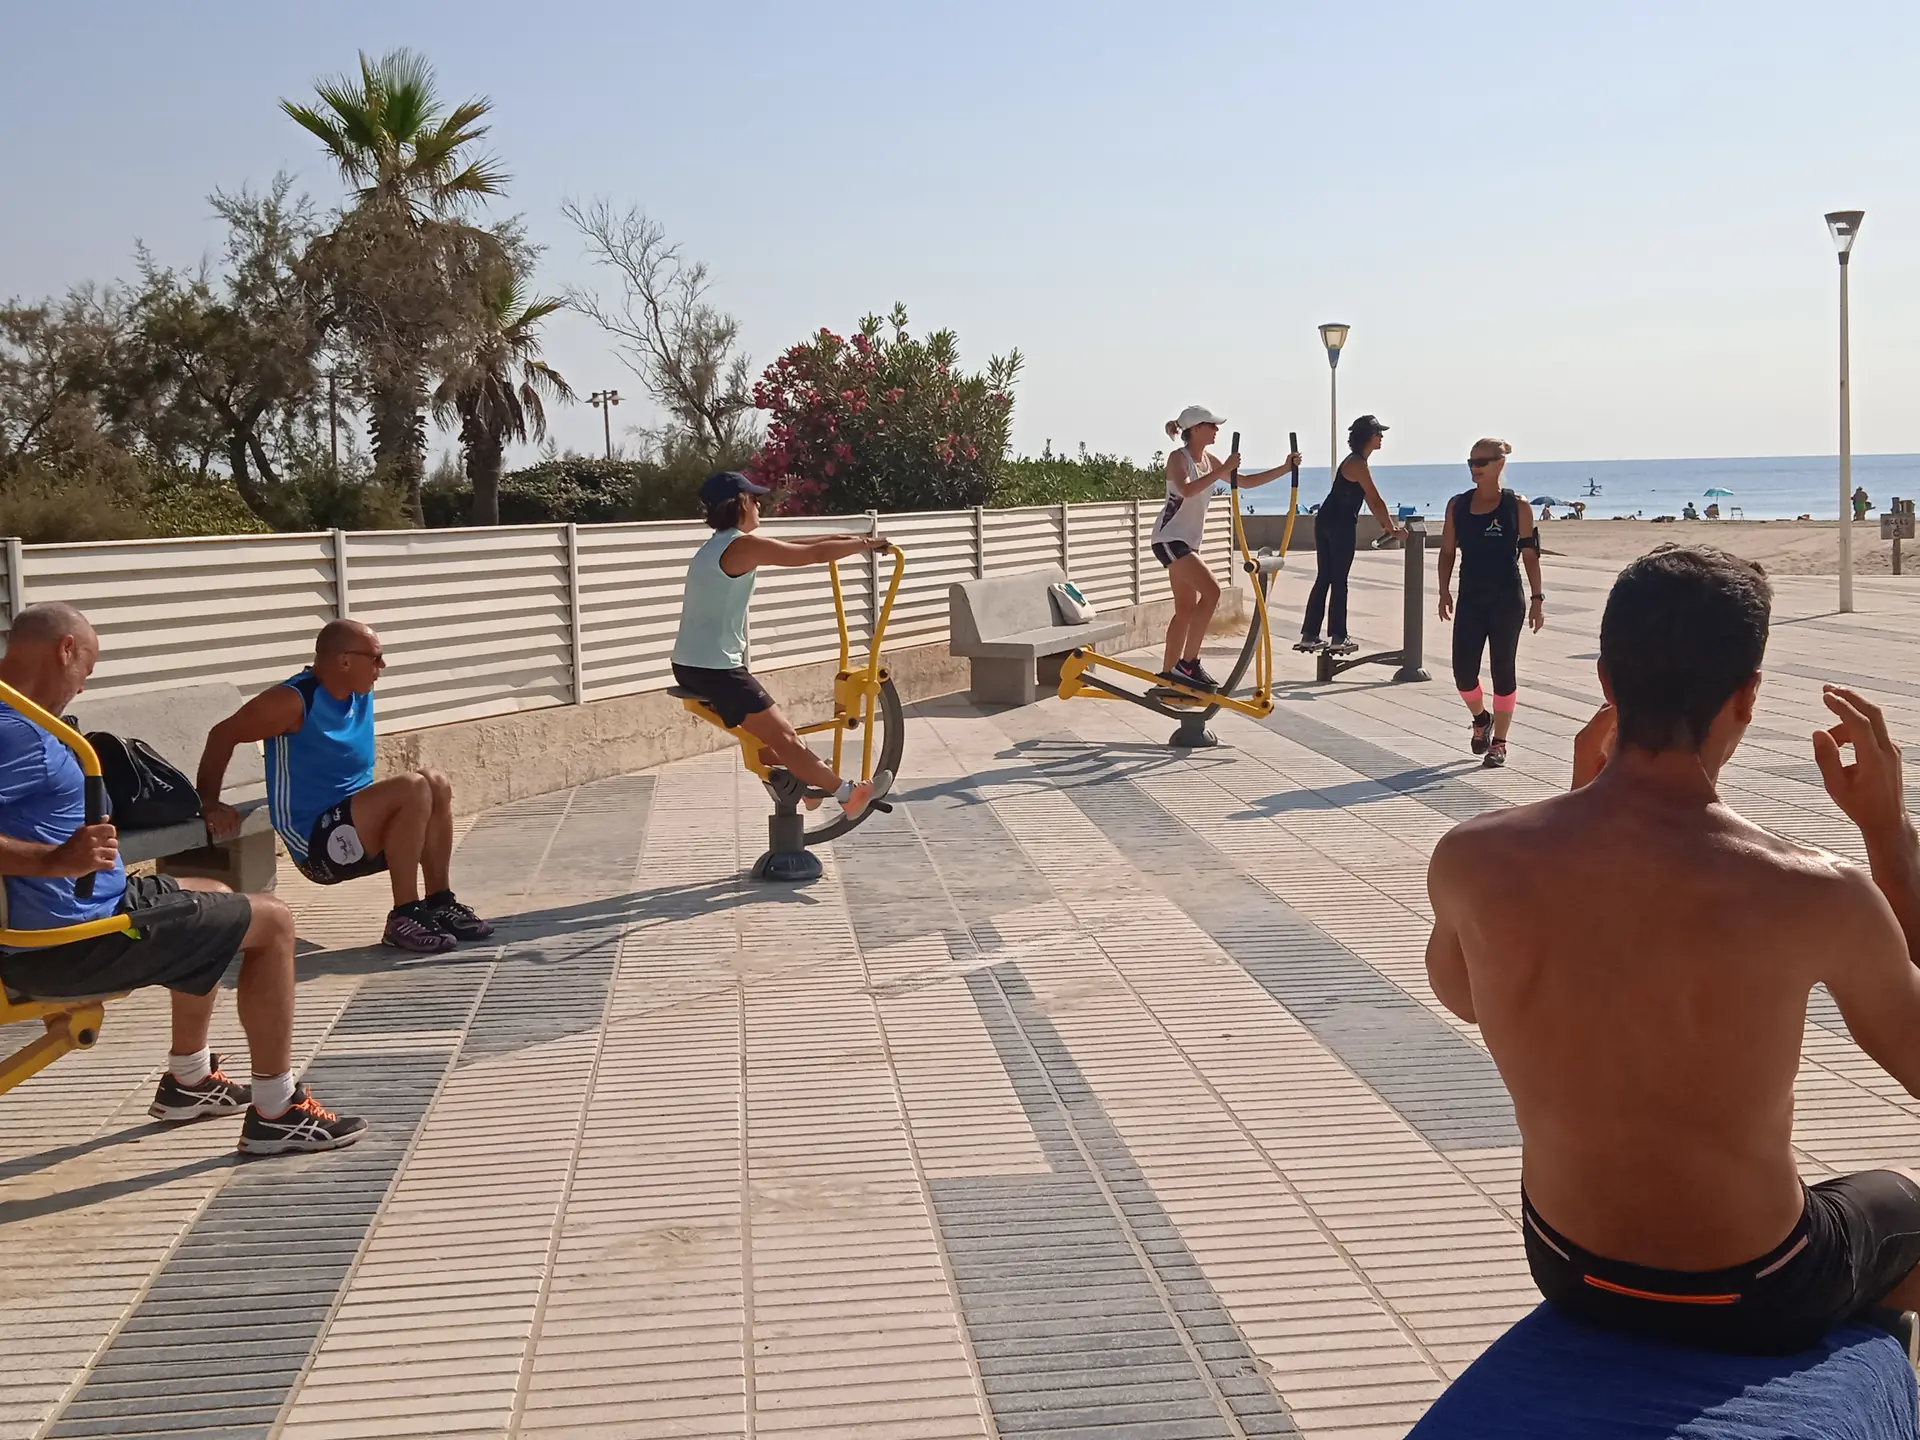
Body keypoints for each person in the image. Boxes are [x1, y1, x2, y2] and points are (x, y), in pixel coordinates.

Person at [1427, 544, 1920, 1356]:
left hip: (1566, 1263)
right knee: (1898, 1204)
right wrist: (1889, 843)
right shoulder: (1815, 892)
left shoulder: (1472, 857)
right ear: (1747, 697)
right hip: (1756, 1286)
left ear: (1607, 683)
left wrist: (1579, 807)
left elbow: (1468, 998)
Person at [0, 604, 365, 1155]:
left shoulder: (22, 718)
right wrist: (54, 861)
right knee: (273, 921)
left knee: (213, 895)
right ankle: (277, 1110)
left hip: (92, 910)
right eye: (85, 671)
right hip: (69, 945)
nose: (81, 687)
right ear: (65, 651)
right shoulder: (15, 731)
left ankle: (188, 1080)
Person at [198, 621, 492, 956]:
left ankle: (439, 903)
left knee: (435, 782)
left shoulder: (359, 693)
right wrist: (208, 801)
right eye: (376, 658)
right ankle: (405, 915)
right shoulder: (292, 701)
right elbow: (222, 734)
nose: (382, 666)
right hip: (317, 846)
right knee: (413, 787)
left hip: (356, 827)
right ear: (345, 660)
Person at [671, 471, 893, 816]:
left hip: (691, 664)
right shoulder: (742, 546)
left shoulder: (718, 546)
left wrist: (860, 539)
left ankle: (808, 787)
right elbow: (815, 554)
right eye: (754, 499)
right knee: (784, 736)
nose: (759, 506)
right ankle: (847, 795)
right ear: (740, 503)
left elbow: (803, 544)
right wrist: (865, 546)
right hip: (716, 669)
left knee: (767, 734)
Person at [1149, 406, 1300, 690]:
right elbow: (1187, 490)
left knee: (1185, 609)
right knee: (1212, 592)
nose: (1216, 430)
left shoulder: (1209, 460)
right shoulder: (1178, 458)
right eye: (1211, 425)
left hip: (1186, 542)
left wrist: (1285, 468)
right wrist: (1222, 469)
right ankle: (1188, 664)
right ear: (1196, 429)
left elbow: (1245, 482)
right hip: (1169, 539)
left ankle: (1169, 676)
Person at [1436, 438, 1544, 768]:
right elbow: (1447, 551)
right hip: (1470, 598)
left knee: (1503, 670)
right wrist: (1443, 590)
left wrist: (1537, 598)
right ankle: (1481, 719)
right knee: (1463, 674)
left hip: (1506, 599)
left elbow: (1530, 554)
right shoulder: (1457, 505)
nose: (1475, 468)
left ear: (1500, 464)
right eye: (1471, 462)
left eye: (1482, 462)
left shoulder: (1517, 506)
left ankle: (1500, 743)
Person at [1297, 415, 1403, 655]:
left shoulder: (1354, 462)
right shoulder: (1357, 464)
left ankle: (1310, 635)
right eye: (1378, 434)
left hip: (1326, 520)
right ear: (1369, 437)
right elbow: (1375, 499)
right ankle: (1338, 636)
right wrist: (1391, 527)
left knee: (1325, 577)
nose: (1381, 438)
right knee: (1338, 579)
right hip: (1339, 524)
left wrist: (1386, 525)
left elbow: (1370, 500)